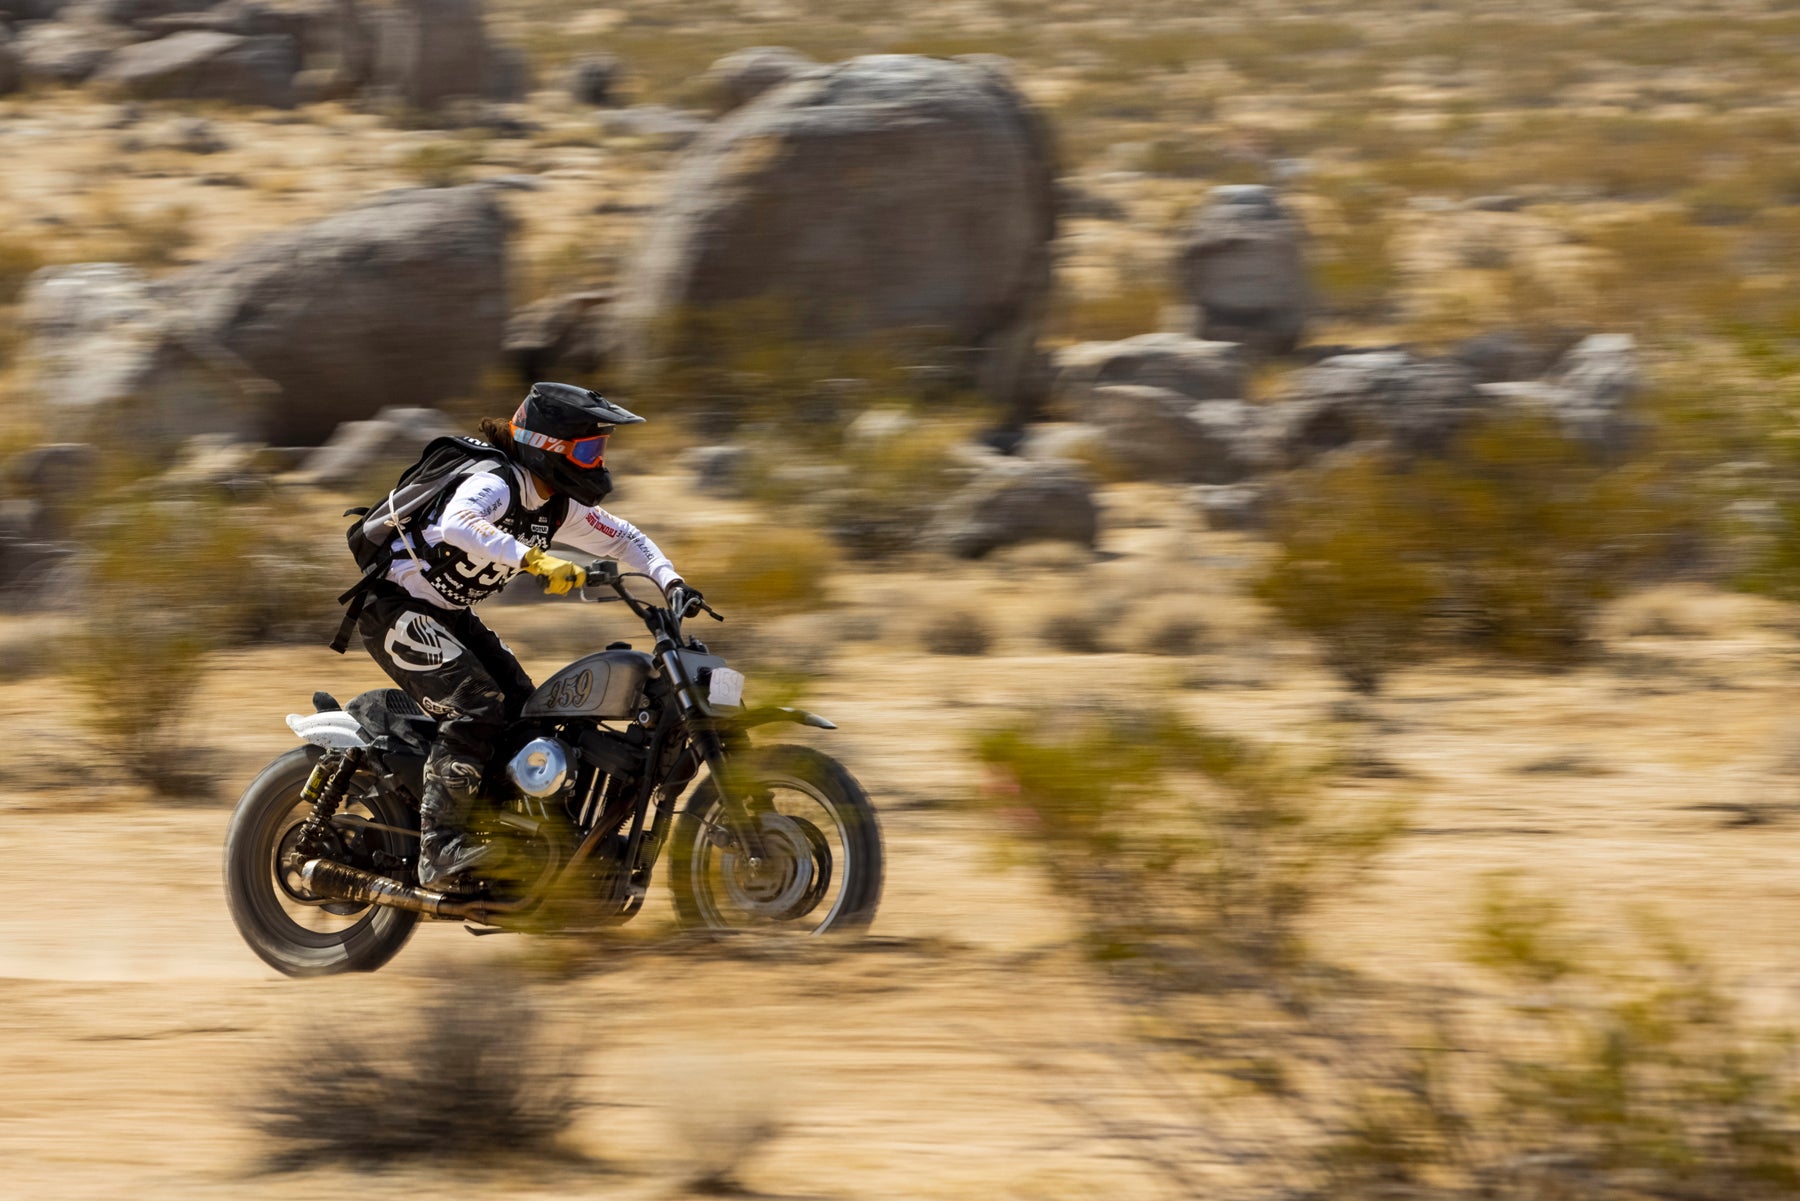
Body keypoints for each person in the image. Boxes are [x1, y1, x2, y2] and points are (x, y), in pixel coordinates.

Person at [351, 382, 699, 888]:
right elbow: (458, 522)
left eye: (599, 449)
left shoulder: (556, 504)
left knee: (528, 710)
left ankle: (511, 833)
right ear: (550, 446)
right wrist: (534, 558)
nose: (598, 461)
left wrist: (671, 581)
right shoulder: (497, 480)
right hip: (393, 608)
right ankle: (439, 846)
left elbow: (627, 539)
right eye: (588, 449)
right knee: (477, 704)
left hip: (449, 613)